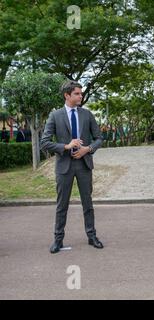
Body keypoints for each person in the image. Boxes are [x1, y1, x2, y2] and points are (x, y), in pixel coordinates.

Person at [41, 80, 103, 254]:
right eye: (77, 93)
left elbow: (99, 138)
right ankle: (58, 239)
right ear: (67, 95)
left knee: (88, 204)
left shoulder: (87, 114)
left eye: (81, 93)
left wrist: (87, 149)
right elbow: (44, 142)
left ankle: (92, 236)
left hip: (84, 165)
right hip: (64, 166)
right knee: (62, 205)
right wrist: (66, 147)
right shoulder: (55, 115)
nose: (80, 96)